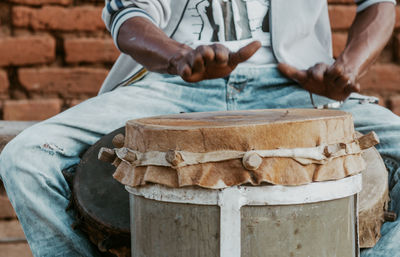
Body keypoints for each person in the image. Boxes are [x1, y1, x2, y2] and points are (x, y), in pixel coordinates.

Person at [0, 0, 397, 256]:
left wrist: (348, 67)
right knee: (26, 158)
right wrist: (179, 57)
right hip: (171, 85)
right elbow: (128, 16)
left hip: (294, 84)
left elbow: (379, 4)